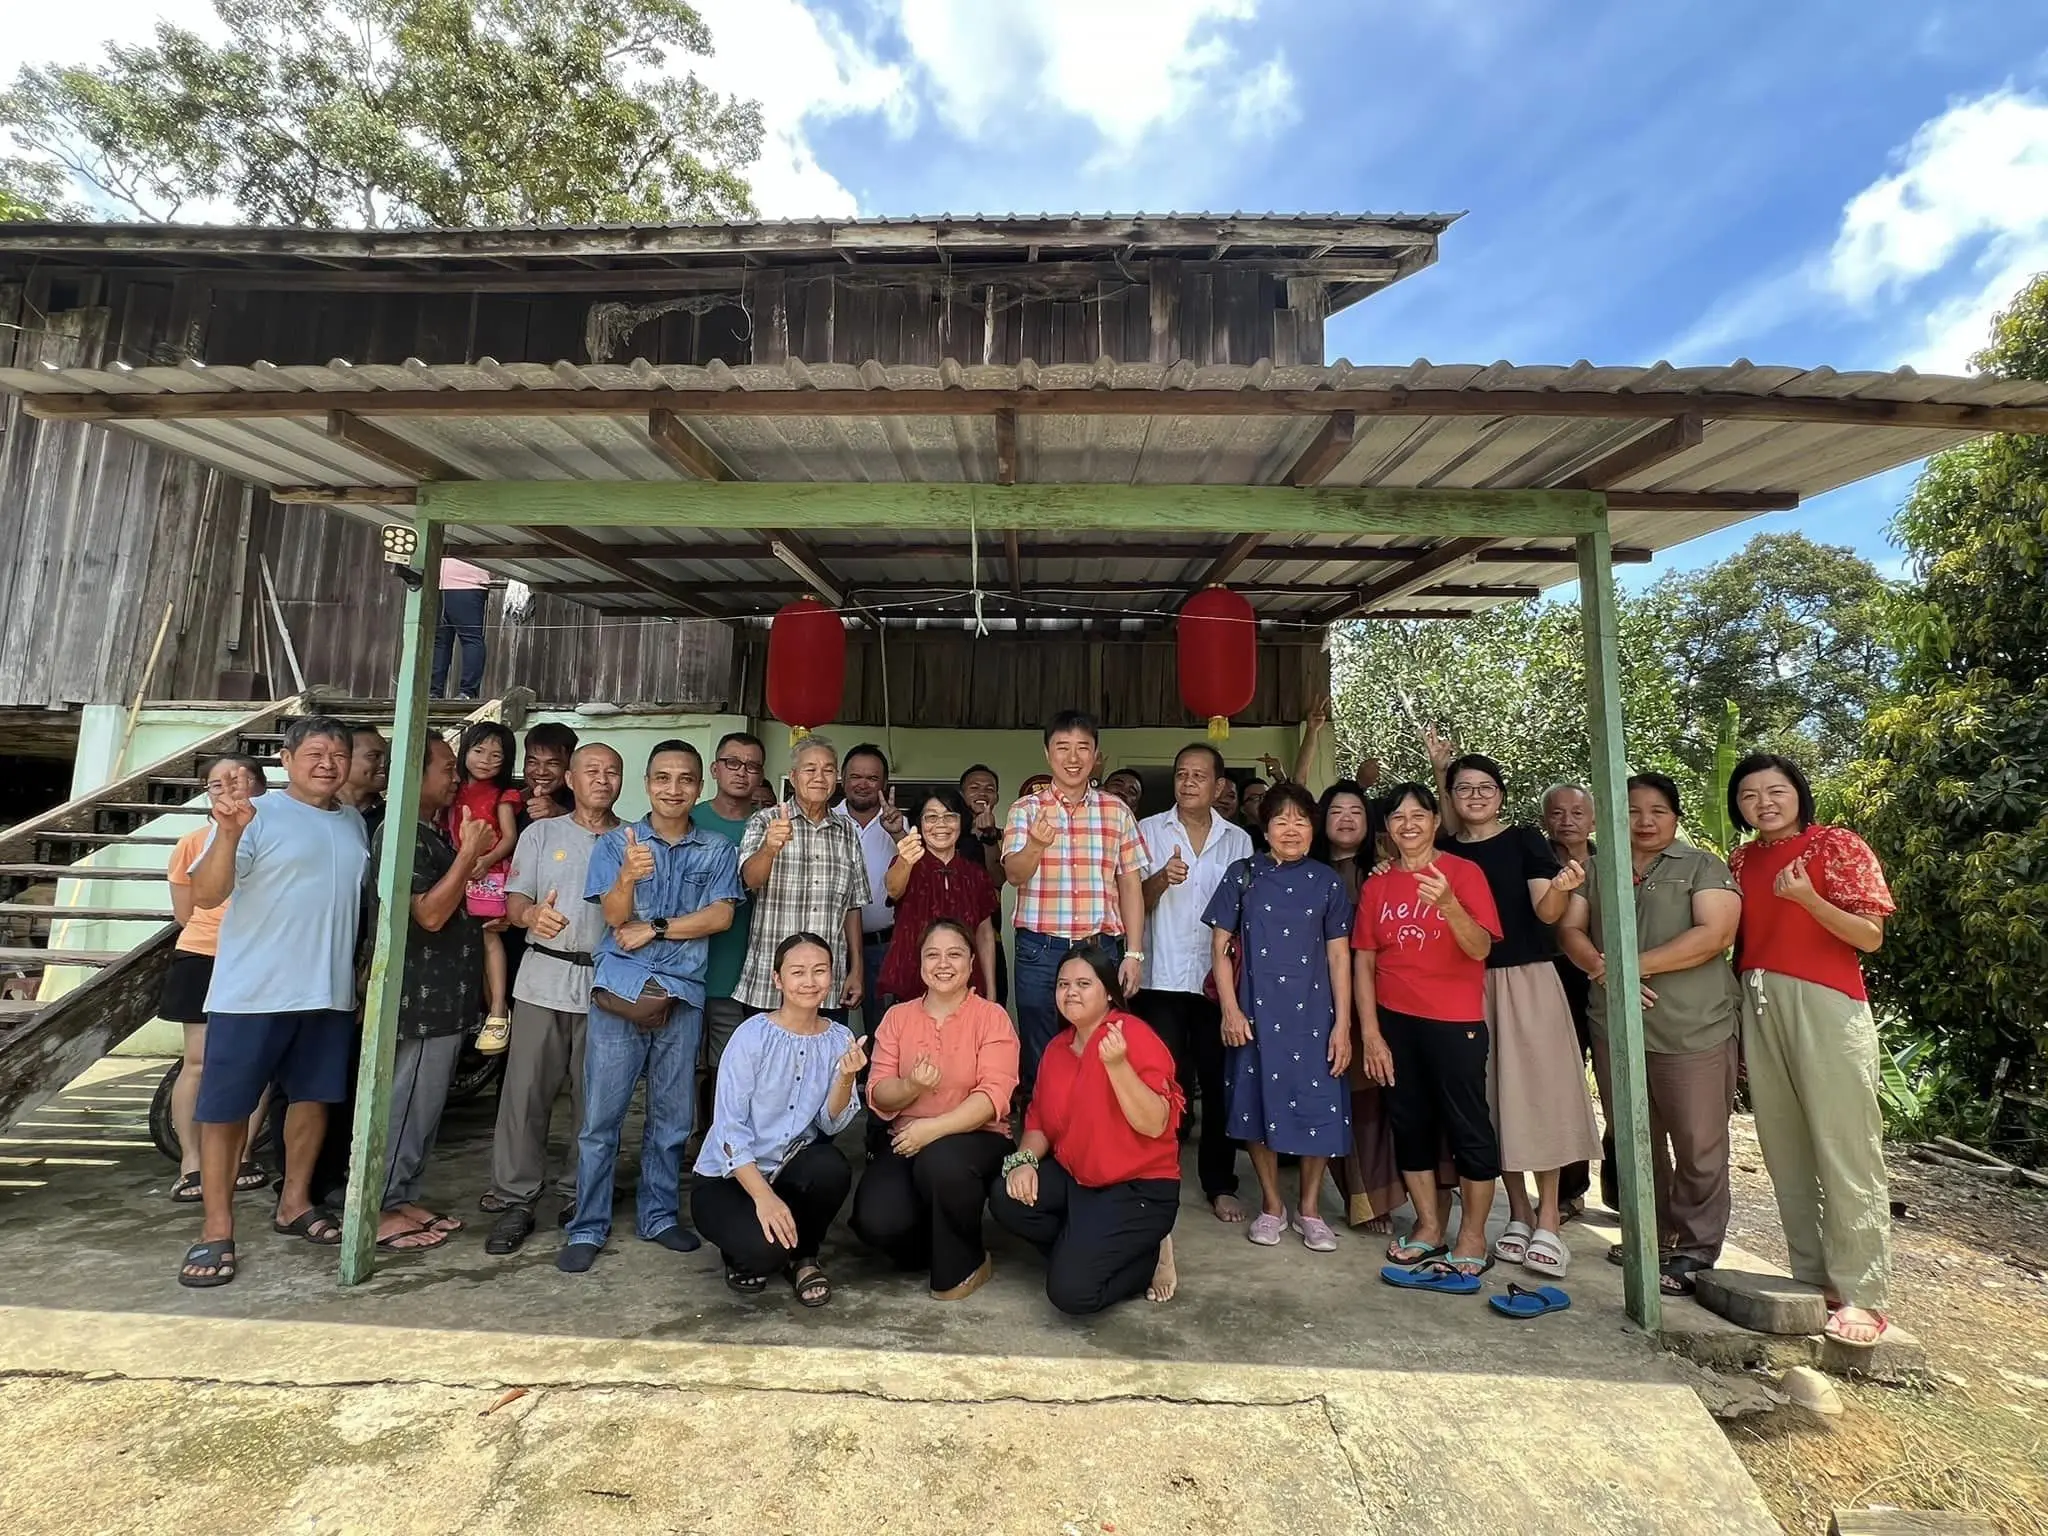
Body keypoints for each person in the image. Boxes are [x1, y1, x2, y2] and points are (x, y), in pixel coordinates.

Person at [176, 716, 370, 1287]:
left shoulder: (352, 821)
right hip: (252, 993)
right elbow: (207, 893)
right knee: (226, 1110)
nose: (328, 764)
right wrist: (228, 832)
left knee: (312, 1100)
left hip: (327, 991)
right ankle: (216, 1228)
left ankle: (294, 1202)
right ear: (286, 760)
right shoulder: (254, 814)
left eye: (338, 754)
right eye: (315, 753)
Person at [1726, 754, 1896, 1347]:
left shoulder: (1836, 845)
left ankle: (1861, 1293)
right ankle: (1812, 1277)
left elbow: (1869, 937)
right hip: (1758, 999)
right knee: (1784, 1144)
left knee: (1845, 1144)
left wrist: (1808, 899)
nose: (1764, 803)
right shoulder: (1741, 860)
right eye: (1749, 795)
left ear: (1799, 792)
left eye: (1776, 790)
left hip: (1826, 1002)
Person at [559, 740, 745, 1273]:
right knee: (602, 1118)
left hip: (682, 995)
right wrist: (627, 878)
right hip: (621, 994)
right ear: (647, 784)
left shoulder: (716, 849)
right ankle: (587, 1225)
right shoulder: (617, 843)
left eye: (684, 779)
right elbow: (615, 918)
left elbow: (720, 917)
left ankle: (659, 1216)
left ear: (699, 786)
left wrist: (657, 927)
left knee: (671, 1118)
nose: (673, 789)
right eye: (662, 778)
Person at [1557, 774, 1742, 1295]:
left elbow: (1716, 934)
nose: (1644, 821)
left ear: (1675, 816)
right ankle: (1651, 1235)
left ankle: (1696, 1248)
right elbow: (1570, 929)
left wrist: (1627, 967)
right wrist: (1602, 969)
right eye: (1632, 811)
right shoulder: (1599, 868)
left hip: (1693, 1027)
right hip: (1615, 1026)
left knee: (1698, 1141)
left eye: (1657, 811)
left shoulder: (1702, 865)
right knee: (1634, 1137)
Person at [1430, 739, 1600, 1278]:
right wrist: (1439, 769)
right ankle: (1519, 1213)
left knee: (1540, 1093)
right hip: (1463, 985)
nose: (1475, 796)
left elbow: (1545, 912)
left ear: (1501, 795)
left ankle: (1549, 1216)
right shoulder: (1444, 850)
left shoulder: (1526, 840)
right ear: (1451, 797)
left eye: (1485, 787)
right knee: (1490, 1098)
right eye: (1463, 788)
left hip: (1526, 979)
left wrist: (1562, 886)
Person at [1351, 783, 1504, 1285]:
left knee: (1468, 1126)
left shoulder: (1464, 873)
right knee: (1409, 1124)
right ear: (1387, 829)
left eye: (1419, 815)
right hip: (1395, 1022)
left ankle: (1473, 1236)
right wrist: (1371, 1034)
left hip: (1455, 1022)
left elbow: (1480, 948)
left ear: (1436, 821)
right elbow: (1364, 961)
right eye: (1398, 817)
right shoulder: (1377, 885)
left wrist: (1449, 903)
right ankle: (1429, 1226)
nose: (1408, 824)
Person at [480, 742, 624, 1253]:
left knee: (596, 1100)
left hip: (607, 986)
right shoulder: (541, 834)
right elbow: (515, 900)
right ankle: (515, 1196)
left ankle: (580, 1192)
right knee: (525, 1096)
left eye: (612, 771)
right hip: (543, 978)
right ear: (571, 778)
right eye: (592, 770)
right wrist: (529, 916)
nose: (602, 780)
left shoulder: (634, 839)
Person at [990, 943, 1184, 1314]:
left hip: (1136, 1188)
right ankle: (1086, 1247)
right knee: (1006, 1195)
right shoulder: (1057, 1049)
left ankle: (1147, 1256)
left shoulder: (1133, 1036)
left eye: (1083, 984)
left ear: (1109, 992)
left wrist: (1118, 1066)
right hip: (1078, 1180)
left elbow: (1155, 1123)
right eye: (1063, 985)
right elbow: (1039, 1122)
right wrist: (1024, 1161)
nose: (1071, 992)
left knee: (1071, 1293)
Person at [1204, 783, 1355, 1251]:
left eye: (1301, 820)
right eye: (1281, 820)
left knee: (1319, 1105)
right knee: (1255, 1103)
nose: (1291, 829)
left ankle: (1310, 1209)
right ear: (1265, 828)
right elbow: (1219, 946)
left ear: (1313, 829)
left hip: (1315, 1014)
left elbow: (1339, 956)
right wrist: (1230, 1009)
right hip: (1254, 1011)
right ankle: (1272, 1205)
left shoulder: (1328, 882)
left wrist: (1343, 1025)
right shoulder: (1243, 874)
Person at [375, 735, 499, 1252]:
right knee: (406, 1104)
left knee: (424, 1107)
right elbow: (428, 913)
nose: (455, 778)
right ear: (414, 774)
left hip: (444, 998)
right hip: (419, 1001)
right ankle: (379, 1208)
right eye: (447, 768)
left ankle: (402, 1196)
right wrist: (469, 853)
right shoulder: (400, 833)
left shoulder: (429, 832)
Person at [851, 919, 1020, 1298]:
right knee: (876, 1222)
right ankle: (934, 1243)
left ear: (971, 962)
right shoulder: (897, 1018)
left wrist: (932, 1129)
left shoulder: (991, 1017)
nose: (943, 964)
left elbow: (993, 1096)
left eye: (954, 954)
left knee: (940, 1161)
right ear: (920, 962)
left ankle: (966, 1262)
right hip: (907, 1139)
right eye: (933, 955)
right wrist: (911, 1087)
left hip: (978, 1138)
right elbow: (878, 1093)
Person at [692, 933, 864, 1305]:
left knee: (830, 1166)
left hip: (788, 1170)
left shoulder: (840, 1038)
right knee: (762, 1255)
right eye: (797, 972)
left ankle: (805, 1257)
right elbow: (729, 1129)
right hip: (729, 1178)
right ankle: (744, 1251)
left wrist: (847, 1077)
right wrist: (764, 1197)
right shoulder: (751, 1036)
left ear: (831, 976)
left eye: (819, 971)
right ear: (777, 979)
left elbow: (830, 1125)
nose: (809, 981)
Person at [1134, 743, 1252, 1223]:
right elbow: (1130, 901)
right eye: (1181, 773)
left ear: (1219, 785)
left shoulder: (1238, 841)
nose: (1188, 782)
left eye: (1199, 775)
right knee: (1159, 1083)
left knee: (1219, 1085)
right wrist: (1161, 879)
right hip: (1159, 978)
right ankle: (1152, 1177)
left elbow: (1245, 916)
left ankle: (1219, 1183)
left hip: (1213, 982)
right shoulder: (1147, 831)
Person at [1003, 711, 1146, 1099]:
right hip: (1040, 949)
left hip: (1100, 949)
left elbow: (1130, 885)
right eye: (1062, 747)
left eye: (1083, 747)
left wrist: (1134, 953)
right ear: (1047, 753)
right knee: (1040, 1049)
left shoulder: (1116, 811)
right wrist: (1036, 844)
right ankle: (1044, 1127)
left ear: (1096, 754)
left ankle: (1093, 1129)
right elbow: (1014, 874)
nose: (1073, 757)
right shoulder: (1025, 810)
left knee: (1101, 1044)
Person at [161, 754, 273, 1203]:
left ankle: (241, 1154)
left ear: (261, 788)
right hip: (204, 954)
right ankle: (191, 1162)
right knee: (198, 1061)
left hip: (261, 956)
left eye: (238, 781)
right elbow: (185, 912)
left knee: (256, 1061)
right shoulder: (192, 843)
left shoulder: (276, 837)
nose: (227, 791)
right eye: (216, 785)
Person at [1313, 779, 1405, 1233]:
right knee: (1333, 1096)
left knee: (1372, 1101)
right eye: (1336, 811)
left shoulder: (1384, 871)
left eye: (1355, 811)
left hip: (1377, 997)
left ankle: (1378, 1200)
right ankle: (1353, 1197)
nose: (1346, 819)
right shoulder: (1306, 870)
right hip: (1316, 1000)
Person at [736, 736, 870, 1021]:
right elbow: (750, 881)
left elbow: (853, 906)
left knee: (827, 1049)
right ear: (794, 776)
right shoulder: (765, 820)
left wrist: (856, 969)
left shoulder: (847, 831)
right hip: (770, 981)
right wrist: (769, 849)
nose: (819, 777)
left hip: (827, 982)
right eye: (810, 769)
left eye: (828, 770)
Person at [1542, 781, 1608, 1214]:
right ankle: (1569, 1191)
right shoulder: (1535, 859)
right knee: (1562, 1083)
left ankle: (1623, 1189)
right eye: (1557, 813)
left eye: (1577, 813)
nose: (1567, 821)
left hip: (1609, 975)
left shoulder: (1614, 862)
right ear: (1545, 820)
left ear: (1594, 820)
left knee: (1615, 1080)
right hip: (1555, 976)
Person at [694, 731, 766, 1127]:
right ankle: (688, 1138)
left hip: (743, 969)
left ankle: (721, 1141)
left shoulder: (769, 828)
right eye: (733, 763)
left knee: (731, 1068)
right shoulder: (689, 819)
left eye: (752, 766)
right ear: (715, 769)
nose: (741, 772)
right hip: (686, 965)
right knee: (682, 1065)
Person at [876, 786, 1000, 1008]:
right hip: (910, 981)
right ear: (919, 824)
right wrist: (905, 860)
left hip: (965, 982)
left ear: (961, 822)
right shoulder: (907, 863)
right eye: (931, 817)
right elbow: (893, 889)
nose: (941, 824)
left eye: (949, 816)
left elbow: (985, 935)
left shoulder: (975, 874)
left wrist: (991, 992)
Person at [449, 721, 522, 1054]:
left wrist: (485, 859)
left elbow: (509, 837)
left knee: (488, 936)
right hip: (455, 873)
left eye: (496, 756)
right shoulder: (451, 788)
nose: (486, 760)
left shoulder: (503, 795)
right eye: (479, 751)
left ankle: (498, 1010)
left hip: (486, 875)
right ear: (465, 751)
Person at [837, 743, 908, 1027]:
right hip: (832, 946)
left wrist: (898, 834)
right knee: (829, 1029)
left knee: (884, 1031)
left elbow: (922, 873)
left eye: (872, 778)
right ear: (842, 779)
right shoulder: (827, 821)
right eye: (855, 776)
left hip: (884, 946)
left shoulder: (900, 823)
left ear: (884, 784)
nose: (862, 784)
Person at [959, 763, 1009, 1003]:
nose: (982, 793)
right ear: (962, 794)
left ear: (996, 797)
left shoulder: (1003, 836)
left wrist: (989, 838)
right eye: (974, 787)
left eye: (989, 788)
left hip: (990, 939)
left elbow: (998, 879)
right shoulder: (947, 833)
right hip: (951, 937)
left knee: (991, 1006)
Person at [430, 556, 492, 700]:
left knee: (469, 639)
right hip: (442, 584)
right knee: (442, 640)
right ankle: (436, 691)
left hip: (466, 582)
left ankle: (466, 691)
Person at [518, 722, 579, 825]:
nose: (541, 772)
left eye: (552, 763)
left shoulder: (584, 802)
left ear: (570, 765)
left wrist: (561, 815)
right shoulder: (510, 802)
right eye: (532, 762)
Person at [340, 726, 389, 829]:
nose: (384, 764)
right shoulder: (317, 809)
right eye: (374, 756)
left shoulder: (393, 815)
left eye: (388, 757)